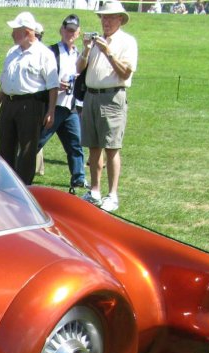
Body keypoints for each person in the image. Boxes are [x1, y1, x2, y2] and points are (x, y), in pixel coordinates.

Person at [77, 0, 138, 212]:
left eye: (111, 17)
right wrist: (85, 50)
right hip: (91, 96)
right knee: (93, 146)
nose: (106, 21)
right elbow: (79, 68)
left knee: (112, 147)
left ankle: (112, 194)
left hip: (112, 97)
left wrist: (108, 52)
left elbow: (126, 72)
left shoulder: (127, 42)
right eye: (104, 17)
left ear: (120, 19)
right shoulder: (96, 41)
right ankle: (94, 190)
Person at [0, 12, 58, 185]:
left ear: (27, 32)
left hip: (31, 104)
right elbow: (4, 81)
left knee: (27, 148)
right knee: (5, 144)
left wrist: (51, 111)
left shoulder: (44, 54)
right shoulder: (12, 52)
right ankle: (6, 183)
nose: (12, 34)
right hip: (9, 103)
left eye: (16, 30)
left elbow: (53, 85)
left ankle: (24, 186)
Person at [37, 14, 87, 193]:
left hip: (70, 106)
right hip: (53, 105)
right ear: (61, 30)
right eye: (67, 30)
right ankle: (19, 172)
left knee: (75, 143)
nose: (70, 33)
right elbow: (41, 78)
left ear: (79, 33)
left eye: (73, 31)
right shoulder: (51, 51)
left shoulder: (80, 54)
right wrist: (56, 85)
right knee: (37, 141)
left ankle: (79, 177)